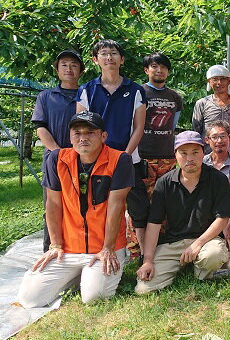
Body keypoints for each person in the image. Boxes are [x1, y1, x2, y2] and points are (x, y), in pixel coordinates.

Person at [17, 112, 134, 307]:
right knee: (29, 299)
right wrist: (55, 245)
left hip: (103, 247)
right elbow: (53, 204)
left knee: (93, 298)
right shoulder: (57, 159)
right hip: (68, 249)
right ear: (70, 137)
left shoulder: (120, 160)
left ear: (103, 136)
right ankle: (78, 275)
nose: (83, 137)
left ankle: (92, 274)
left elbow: (117, 206)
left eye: (90, 132)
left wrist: (108, 248)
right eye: (77, 132)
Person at [135, 131, 230, 294]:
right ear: (175, 155)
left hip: (207, 241)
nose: (190, 158)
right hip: (173, 243)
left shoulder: (218, 179)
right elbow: (154, 224)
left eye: (195, 152)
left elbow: (222, 218)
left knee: (213, 256)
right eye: (184, 153)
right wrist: (148, 260)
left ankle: (200, 270)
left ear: (203, 152)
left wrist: (198, 244)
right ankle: (188, 265)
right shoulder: (164, 183)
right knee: (143, 289)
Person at [76, 39, 149, 256]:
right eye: (104, 53)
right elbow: (82, 128)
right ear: (95, 59)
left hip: (129, 160)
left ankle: (145, 255)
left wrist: (124, 157)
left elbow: (139, 127)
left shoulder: (135, 90)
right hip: (97, 162)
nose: (109, 57)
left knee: (140, 209)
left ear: (122, 59)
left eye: (114, 53)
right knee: (97, 207)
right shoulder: (87, 90)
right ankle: (99, 251)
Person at [129, 52, 183, 255]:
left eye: (163, 67)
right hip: (142, 157)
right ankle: (137, 250)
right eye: (154, 66)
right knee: (140, 205)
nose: (159, 70)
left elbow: (173, 126)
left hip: (168, 158)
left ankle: (161, 247)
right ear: (146, 70)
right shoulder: (138, 92)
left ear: (168, 71)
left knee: (165, 202)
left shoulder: (175, 97)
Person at [32, 49, 84, 252]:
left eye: (74, 65)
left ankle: (79, 249)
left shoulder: (87, 94)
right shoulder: (46, 97)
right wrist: (58, 152)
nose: (69, 69)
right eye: (64, 65)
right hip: (55, 158)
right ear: (57, 70)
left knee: (81, 205)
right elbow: (40, 127)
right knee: (53, 206)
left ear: (80, 70)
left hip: (83, 159)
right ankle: (51, 249)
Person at [203, 120, 230, 256]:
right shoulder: (201, 165)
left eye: (223, 136)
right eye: (214, 137)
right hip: (205, 221)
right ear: (207, 140)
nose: (219, 140)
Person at [192, 64, 230, 156]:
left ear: (229, 81)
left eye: (223, 79)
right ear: (209, 81)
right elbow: (196, 132)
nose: (219, 82)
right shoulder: (202, 104)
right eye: (215, 79)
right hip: (208, 157)